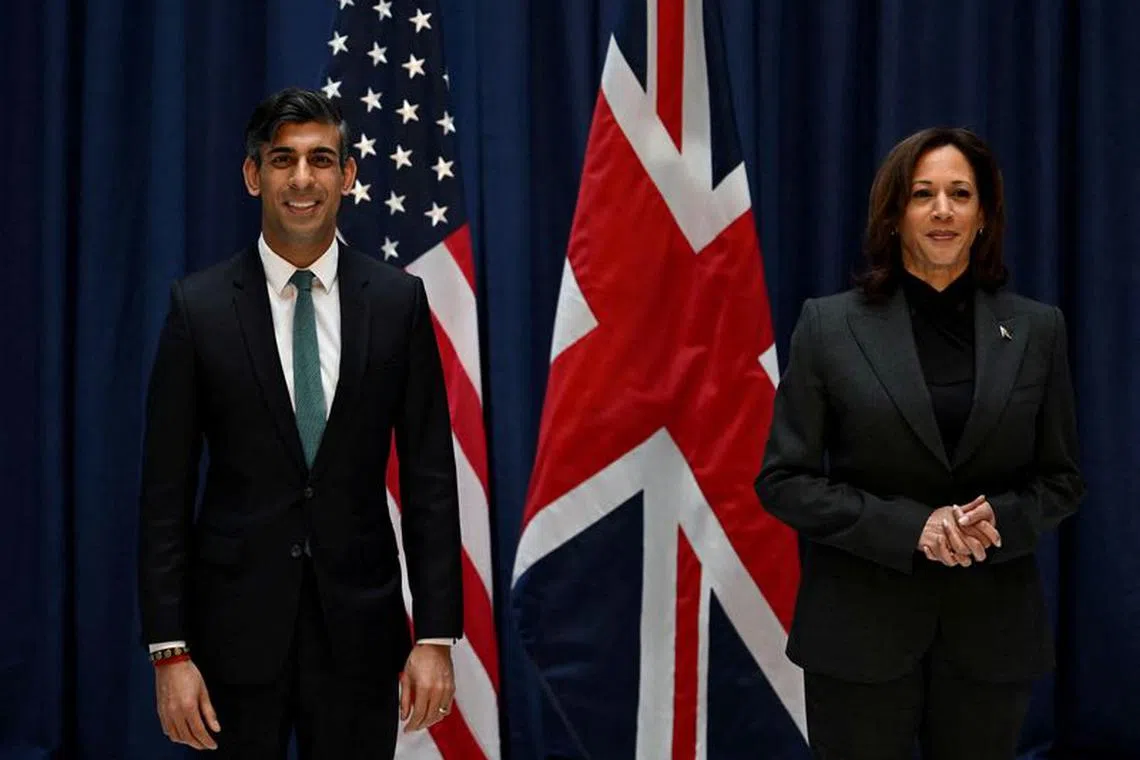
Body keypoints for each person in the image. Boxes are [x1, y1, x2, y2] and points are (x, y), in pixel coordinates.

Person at [137, 88, 463, 758]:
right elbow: (164, 494)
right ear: (254, 175)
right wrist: (170, 652)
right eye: (283, 160)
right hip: (231, 635)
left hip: (361, 631)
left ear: (347, 175)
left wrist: (434, 636)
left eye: (320, 159)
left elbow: (430, 479)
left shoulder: (399, 302)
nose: (302, 179)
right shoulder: (198, 309)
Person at [755, 127, 1084, 760]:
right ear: (894, 213)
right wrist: (912, 527)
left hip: (990, 635)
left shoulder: (1039, 330)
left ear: (984, 214)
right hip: (858, 631)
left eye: (960, 193)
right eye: (922, 194)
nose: (942, 210)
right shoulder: (829, 327)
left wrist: (1004, 518)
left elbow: (1061, 479)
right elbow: (784, 481)